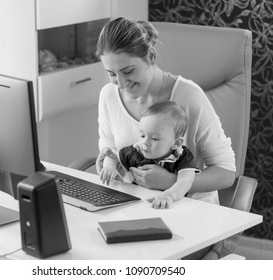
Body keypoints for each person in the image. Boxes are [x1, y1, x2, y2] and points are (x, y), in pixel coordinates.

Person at [95, 17, 236, 205]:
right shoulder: (109, 96)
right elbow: (109, 152)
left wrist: (172, 182)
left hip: (191, 212)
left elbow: (226, 173)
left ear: (151, 57)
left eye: (128, 71)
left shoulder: (189, 96)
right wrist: (108, 165)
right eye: (112, 74)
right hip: (133, 205)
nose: (120, 83)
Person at [100, 100, 200, 209]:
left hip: (171, 207)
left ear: (176, 143)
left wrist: (169, 196)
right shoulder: (136, 151)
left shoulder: (181, 156)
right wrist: (109, 167)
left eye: (155, 138)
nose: (145, 142)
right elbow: (113, 156)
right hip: (138, 205)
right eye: (142, 136)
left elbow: (186, 181)